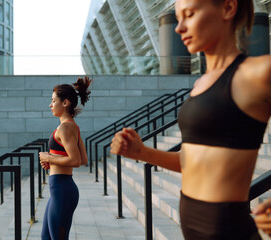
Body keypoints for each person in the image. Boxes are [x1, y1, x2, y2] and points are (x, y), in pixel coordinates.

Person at [111, 0, 271, 239]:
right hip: (193, 226)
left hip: (228, 230)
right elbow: (190, 161)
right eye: (178, 17)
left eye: (190, 14)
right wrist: (142, 152)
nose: (179, 28)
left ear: (228, 8)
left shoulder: (259, 72)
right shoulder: (201, 83)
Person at [39, 76, 91, 240]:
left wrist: (49, 157)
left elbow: (75, 161)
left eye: (53, 101)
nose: (50, 104)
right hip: (61, 189)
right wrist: (52, 159)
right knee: (46, 237)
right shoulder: (73, 126)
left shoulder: (65, 127)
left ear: (65, 103)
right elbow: (83, 159)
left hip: (62, 189)